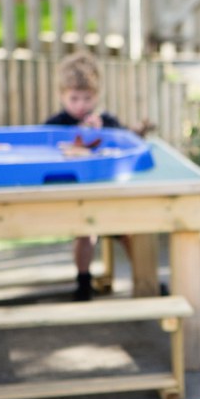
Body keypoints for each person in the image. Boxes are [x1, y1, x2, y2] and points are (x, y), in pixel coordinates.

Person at [44, 51, 141, 301]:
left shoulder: (106, 122)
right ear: (62, 96)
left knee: (130, 233)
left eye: (87, 98)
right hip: (75, 198)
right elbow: (47, 152)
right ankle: (83, 282)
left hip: (110, 196)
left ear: (97, 96)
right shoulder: (55, 125)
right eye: (74, 98)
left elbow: (124, 146)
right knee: (85, 234)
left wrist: (103, 133)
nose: (80, 105)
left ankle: (144, 280)